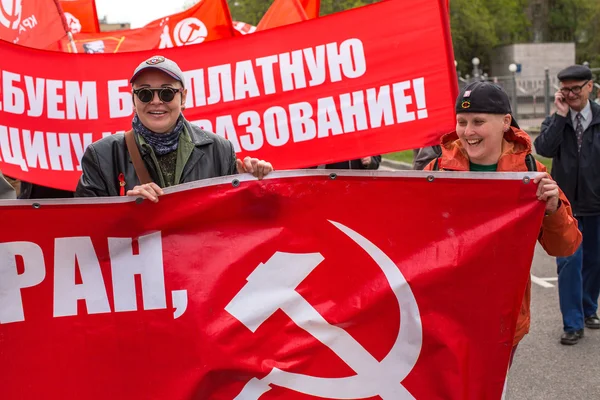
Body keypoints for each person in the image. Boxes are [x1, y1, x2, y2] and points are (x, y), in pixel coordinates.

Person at [424, 81, 581, 359]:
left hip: (502, 318)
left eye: (478, 121)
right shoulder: (436, 171)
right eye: (462, 121)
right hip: (443, 315)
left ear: (505, 122)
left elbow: (565, 247)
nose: (468, 132)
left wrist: (552, 208)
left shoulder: (532, 173)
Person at [75, 55, 273, 201]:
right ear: (133, 100)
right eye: (144, 93)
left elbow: (239, 225)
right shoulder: (101, 156)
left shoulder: (220, 150)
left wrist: (256, 185)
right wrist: (126, 210)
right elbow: (82, 231)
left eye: (167, 93)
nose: (156, 101)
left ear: (183, 97)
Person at [534, 65, 600, 345]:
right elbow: (544, 149)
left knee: (595, 263)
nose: (571, 94)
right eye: (565, 89)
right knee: (569, 263)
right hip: (566, 206)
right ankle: (572, 322)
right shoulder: (556, 120)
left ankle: (588, 309)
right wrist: (560, 117)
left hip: (597, 205)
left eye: (576, 88)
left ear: (590, 86)